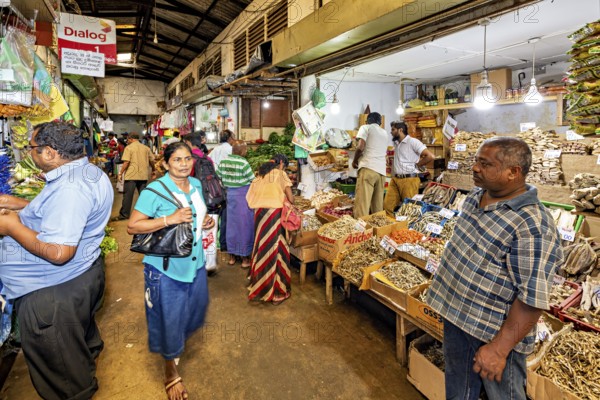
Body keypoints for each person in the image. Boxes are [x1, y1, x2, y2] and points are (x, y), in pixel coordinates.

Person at [427, 137, 563, 400]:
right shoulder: (476, 196)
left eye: (485, 164)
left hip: (493, 334)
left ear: (514, 173)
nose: (475, 168)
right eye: (477, 161)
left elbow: (532, 298)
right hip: (457, 318)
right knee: (459, 392)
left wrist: (499, 350)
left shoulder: (534, 225)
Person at [0, 121, 113, 399]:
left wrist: (11, 227)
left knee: (61, 373)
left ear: (50, 153)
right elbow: (67, 215)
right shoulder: (87, 171)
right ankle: (84, 365)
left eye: (33, 148)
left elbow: (59, 252)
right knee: (78, 342)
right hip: (81, 277)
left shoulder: (70, 189)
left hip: (52, 293)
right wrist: (23, 206)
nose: (30, 153)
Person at [127, 142, 215, 400]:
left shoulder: (196, 185)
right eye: (177, 159)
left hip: (195, 264)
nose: (184, 164)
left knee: (196, 310)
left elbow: (199, 215)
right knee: (169, 320)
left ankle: (175, 344)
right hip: (166, 269)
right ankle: (170, 371)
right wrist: (169, 219)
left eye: (188, 158)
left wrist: (206, 220)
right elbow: (133, 227)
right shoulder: (155, 190)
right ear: (165, 163)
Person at [246, 154, 293, 305]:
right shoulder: (281, 174)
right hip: (274, 215)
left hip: (260, 214)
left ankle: (259, 284)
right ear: (281, 165)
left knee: (262, 246)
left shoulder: (259, 175)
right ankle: (277, 292)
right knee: (277, 250)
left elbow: (249, 198)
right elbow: (291, 199)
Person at [216, 141, 255, 267]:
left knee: (231, 227)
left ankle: (232, 257)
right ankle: (244, 259)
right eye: (246, 149)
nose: (247, 152)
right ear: (242, 151)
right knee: (244, 226)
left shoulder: (223, 162)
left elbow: (218, 177)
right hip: (243, 198)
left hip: (230, 197)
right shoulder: (244, 163)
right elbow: (253, 180)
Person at [383, 121, 434, 214]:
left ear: (400, 130)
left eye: (393, 130)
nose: (391, 132)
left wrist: (417, 165)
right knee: (387, 206)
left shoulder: (413, 142)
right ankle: (392, 227)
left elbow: (430, 156)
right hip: (395, 179)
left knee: (409, 210)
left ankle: (408, 228)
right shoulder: (397, 144)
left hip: (409, 179)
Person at [352, 112, 389, 218]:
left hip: (368, 168)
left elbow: (360, 147)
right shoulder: (384, 133)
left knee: (362, 205)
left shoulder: (365, 127)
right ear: (380, 123)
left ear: (367, 120)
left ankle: (361, 232)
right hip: (381, 173)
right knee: (377, 207)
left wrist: (354, 161)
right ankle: (378, 231)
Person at [113, 132, 155, 221]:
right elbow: (152, 160)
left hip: (131, 175)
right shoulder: (146, 148)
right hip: (143, 175)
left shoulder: (129, 148)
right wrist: (154, 170)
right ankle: (149, 214)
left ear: (131, 139)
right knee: (144, 195)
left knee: (128, 196)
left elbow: (126, 162)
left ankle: (124, 215)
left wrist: (120, 173)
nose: (127, 141)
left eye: (128, 139)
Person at [209, 129, 235, 254]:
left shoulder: (215, 150)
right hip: (227, 187)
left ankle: (212, 243)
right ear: (229, 138)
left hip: (214, 188)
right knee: (225, 217)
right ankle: (224, 244)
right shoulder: (230, 149)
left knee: (215, 216)